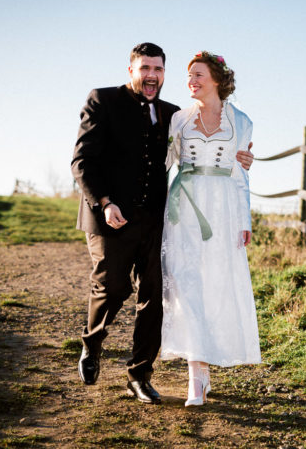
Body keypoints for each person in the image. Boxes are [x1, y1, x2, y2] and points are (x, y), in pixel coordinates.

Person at [70, 43, 254, 404]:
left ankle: (139, 375)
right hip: (111, 216)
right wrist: (105, 202)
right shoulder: (102, 100)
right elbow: (82, 160)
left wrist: (241, 159)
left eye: (158, 69)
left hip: (158, 219)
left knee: (156, 297)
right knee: (113, 287)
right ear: (131, 71)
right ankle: (92, 343)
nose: (152, 75)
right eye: (145, 68)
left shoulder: (174, 114)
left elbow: (192, 154)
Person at [160, 51, 261, 407]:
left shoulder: (242, 121)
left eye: (198, 74)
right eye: (188, 75)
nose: (191, 81)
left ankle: (206, 366)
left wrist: (245, 220)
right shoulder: (177, 120)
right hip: (183, 210)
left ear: (216, 79)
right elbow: (163, 164)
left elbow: (240, 174)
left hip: (222, 211)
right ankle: (196, 375)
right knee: (186, 286)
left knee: (215, 285)